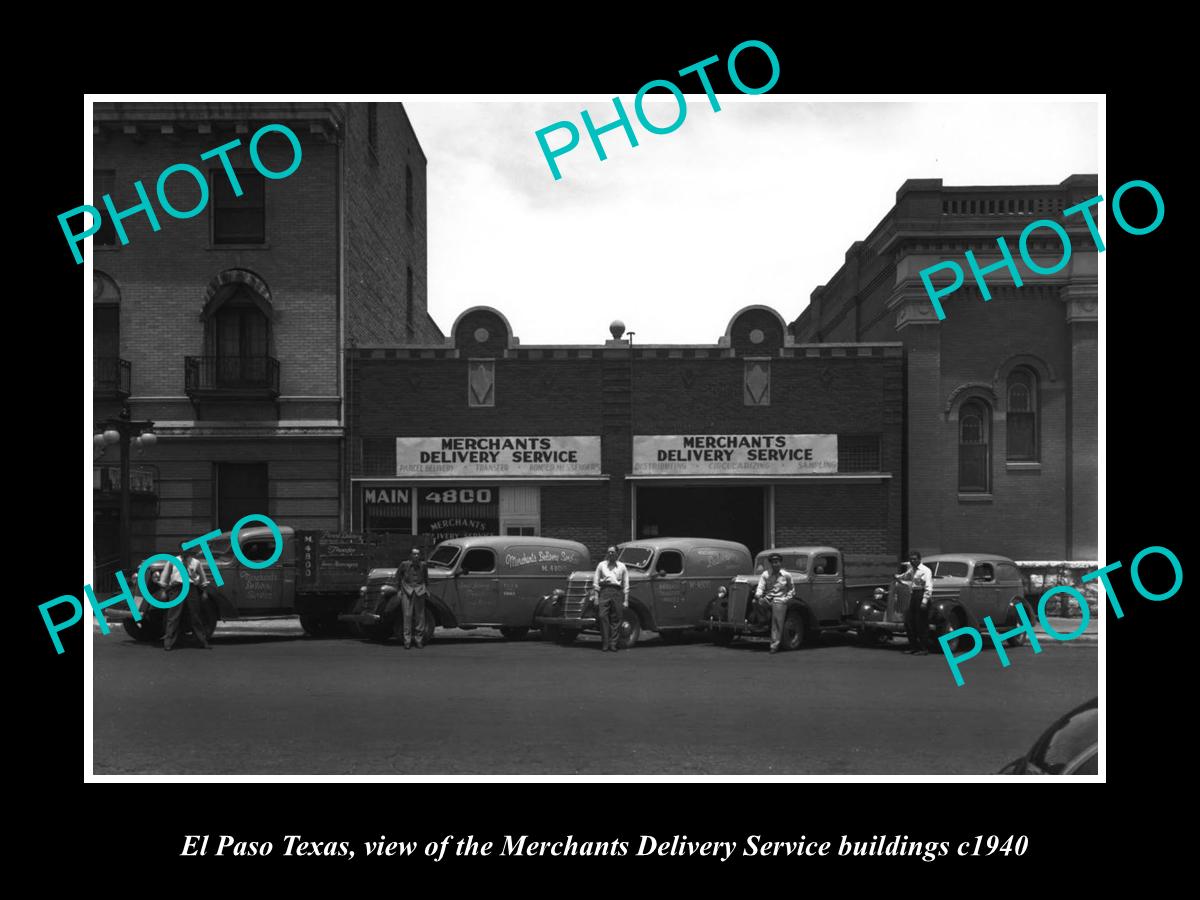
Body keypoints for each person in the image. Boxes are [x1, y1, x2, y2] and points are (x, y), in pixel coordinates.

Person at [160, 548, 213, 651]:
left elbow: (202, 578)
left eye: (188, 549)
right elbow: (165, 576)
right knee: (173, 616)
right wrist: (163, 590)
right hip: (177, 589)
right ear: (180, 550)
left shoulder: (196, 562)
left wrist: (204, 591)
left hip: (191, 589)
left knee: (195, 615)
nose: (185, 552)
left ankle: (202, 641)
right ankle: (168, 643)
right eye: (183, 549)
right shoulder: (172, 561)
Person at [755, 552, 796, 654]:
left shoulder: (786, 575)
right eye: (773, 562)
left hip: (780, 600)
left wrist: (785, 599)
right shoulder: (765, 574)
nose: (775, 564)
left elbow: (792, 590)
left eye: (777, 562)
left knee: (777, 623)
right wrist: (758, 594)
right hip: (768, 599)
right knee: (755, 602)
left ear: (780, 563)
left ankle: (774, 645)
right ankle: (762, 621)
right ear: (770, 564)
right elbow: (761, 586)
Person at [592, 546, 629, 652]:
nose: (611, 554)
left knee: (616, 618)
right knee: (602, 616)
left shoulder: (622, 566)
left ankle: (613, 644)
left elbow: (626, 584)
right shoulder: (601, 565)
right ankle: (605, 643)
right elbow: (596, 581)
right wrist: (596, 597)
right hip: (604, 591)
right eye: (609, 552)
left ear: (617, 554)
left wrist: (625, 600)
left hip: (617, 591)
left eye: (613, 552)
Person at [898, 550, 934, 655]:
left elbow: (928, 587)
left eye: (914, 559)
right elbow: (905, 576)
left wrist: (924, 601)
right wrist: (898, 577)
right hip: (913, 595)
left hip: (921, 595)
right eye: (911, 559)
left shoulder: (925, 570)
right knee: (909, 622)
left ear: (919, 559)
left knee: (921, 623)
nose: (912, 561)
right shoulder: (912, 570)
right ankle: (913, 646)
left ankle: (923, 648)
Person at [395, 547, 429, 649]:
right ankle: (407, 641)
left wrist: (426, 589)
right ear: (410, 555)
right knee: (407, 615)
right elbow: (398, 577)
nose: (416, 556)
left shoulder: (423, 565)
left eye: (418, 554)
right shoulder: (404, 565)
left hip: (419, 591)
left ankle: (419, 640)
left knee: (420, 617)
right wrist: (399, 590)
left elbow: (426, 578)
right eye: (414, 554)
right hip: (407, 590)